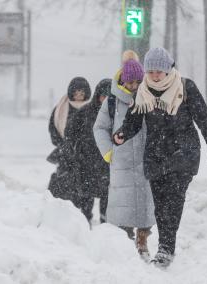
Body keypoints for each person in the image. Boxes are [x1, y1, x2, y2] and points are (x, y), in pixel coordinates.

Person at [113, 47, 207, 267]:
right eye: (151, 71)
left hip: (183, 152)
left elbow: (203, 117)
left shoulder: (185, 88)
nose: (155, 75)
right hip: (156, 155)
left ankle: (165, 248)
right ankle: (166, 246)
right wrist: (122, 134)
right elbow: (133, 122)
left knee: (173, 201)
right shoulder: (142, 92)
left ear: (168, 69)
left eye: (159, 71)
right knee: (161, 204)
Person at [93, 58, 156, 260]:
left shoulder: (150, 98)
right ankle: (124, 245)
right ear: (122, 82)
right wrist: (108, 152)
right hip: (122, 161)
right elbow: (100, 127)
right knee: (122, 207)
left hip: (147, 159)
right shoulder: (112, 101)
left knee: (146, 206)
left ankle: (142, 242)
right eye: (130, 83)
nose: (134, 86)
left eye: (138, 82)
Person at [47, 77, 92, 222]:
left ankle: (86, 218)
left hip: (86, 156)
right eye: (76, 92)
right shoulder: (61, 108)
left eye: (82, 92)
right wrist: (64, 145)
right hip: (65, 154)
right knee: (65, 185)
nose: (79, 95)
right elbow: (53, 128)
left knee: (86, 187)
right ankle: (65, 217)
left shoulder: (92, 108)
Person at [73, 79, 111, 224]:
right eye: (103, 95)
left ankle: (105, 222)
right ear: (97, 95)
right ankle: (85, 221)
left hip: (107, 161)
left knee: (107, 194)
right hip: (86, 162)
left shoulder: (117, 113)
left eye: (109, 96)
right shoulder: (84, 112)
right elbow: (71, 134)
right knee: (86, 195)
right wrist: (76, 153)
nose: (105, 99)